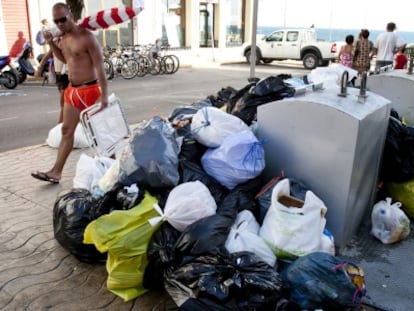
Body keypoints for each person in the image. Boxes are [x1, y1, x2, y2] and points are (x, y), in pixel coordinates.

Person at [31, 2, 108, 184]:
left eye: (62, 20)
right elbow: (64, 58)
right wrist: (51, 42)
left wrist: (103, 95)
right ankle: (56, 172)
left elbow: (100, 68)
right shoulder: (63, 38)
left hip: (90, 89)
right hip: (72, 91)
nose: (60, 24)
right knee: (67, 130)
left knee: (100, 133)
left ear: (71, 16)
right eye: (56, 21)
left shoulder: (87, 37)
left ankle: (111, 170)